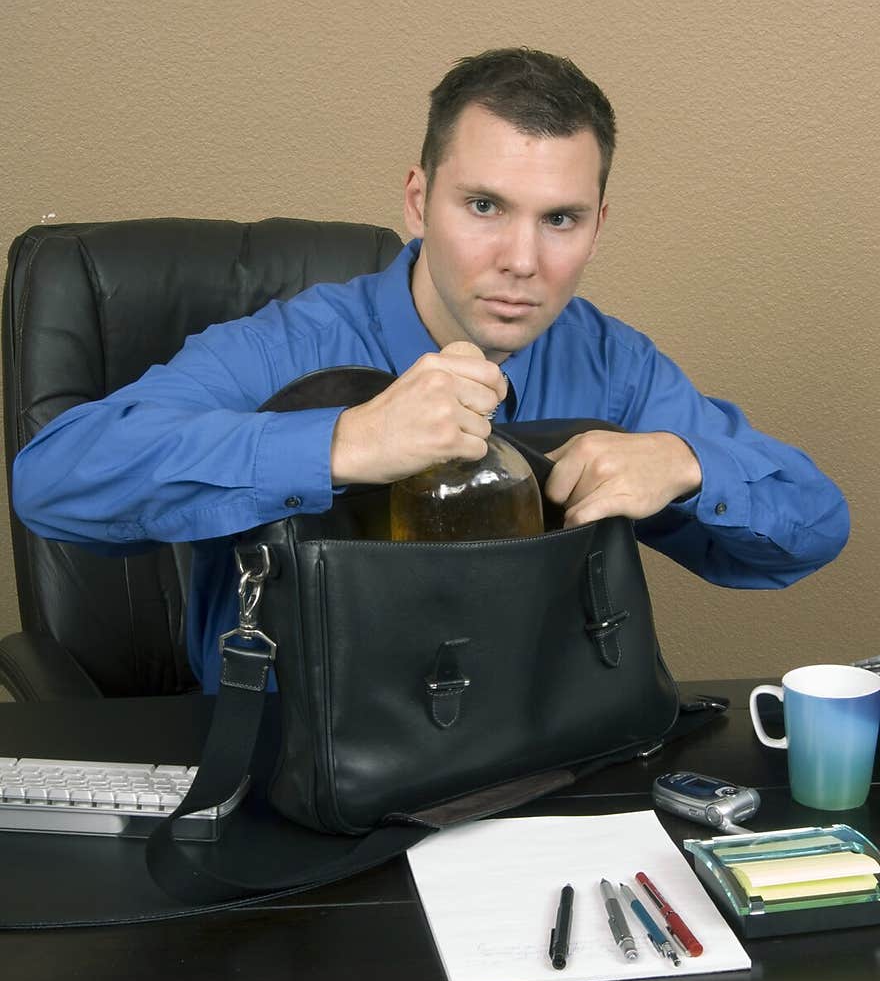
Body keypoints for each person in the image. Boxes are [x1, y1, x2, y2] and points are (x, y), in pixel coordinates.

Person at [12, 48, 849, 692]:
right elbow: (51, 484)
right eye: (484, 206)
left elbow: (813, 529)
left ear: (599, 225)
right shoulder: (288, 344)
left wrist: (686, 463)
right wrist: (341, 443)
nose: (521, 259)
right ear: (418, 199)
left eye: (560, 219)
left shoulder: (615, 366)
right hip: (303, 783)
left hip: (529, 767)